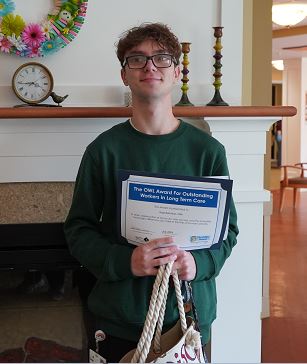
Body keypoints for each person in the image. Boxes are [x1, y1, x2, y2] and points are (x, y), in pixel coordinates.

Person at [64, 22, 239, 363]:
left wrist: (197, 262)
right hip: (120, 318)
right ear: (124, 75)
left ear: (175, 72)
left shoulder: (208, 151)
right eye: (137, 59)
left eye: (161, 59)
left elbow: (227, 233)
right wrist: (126, 260)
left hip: (188, 318)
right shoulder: (103, 151)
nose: (149, 67)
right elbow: (78, 229)